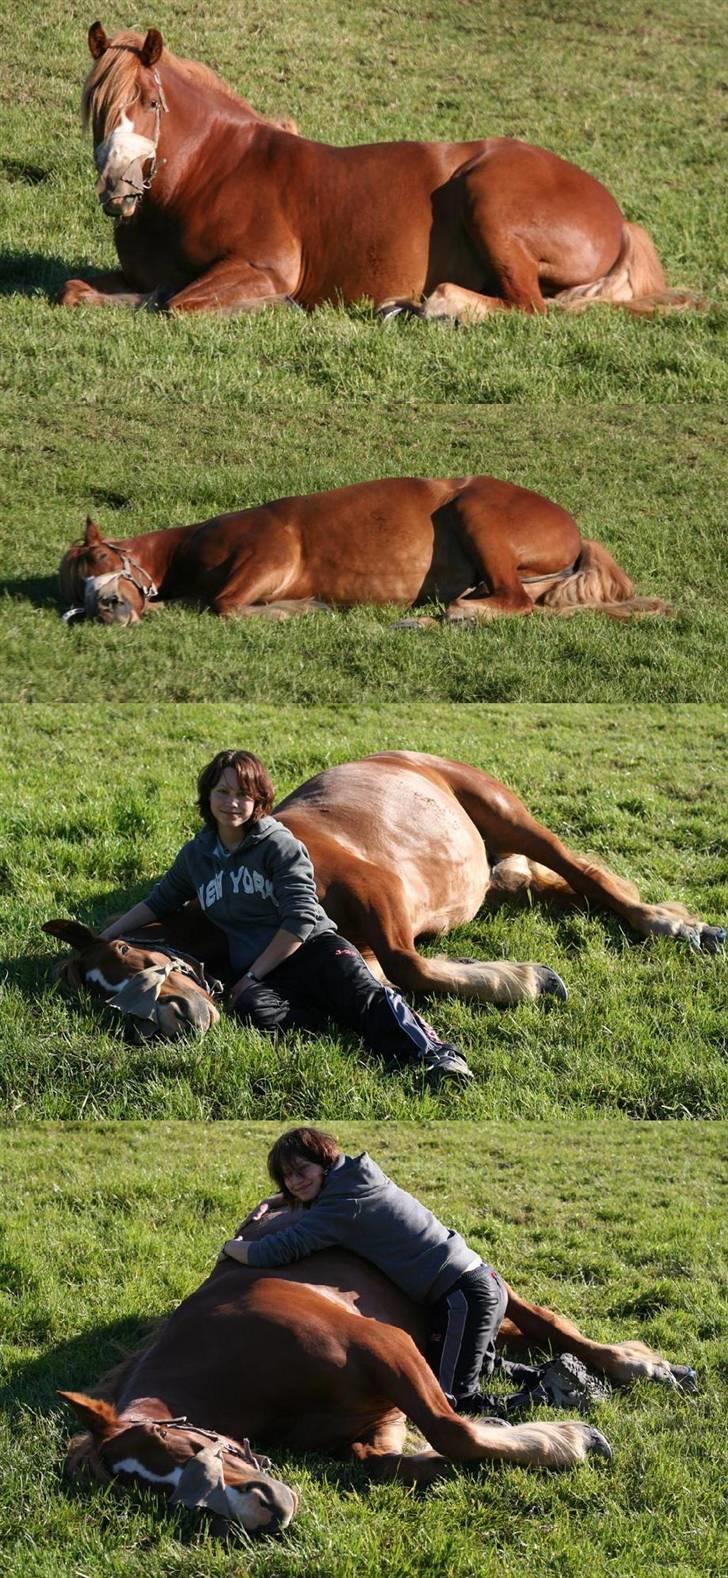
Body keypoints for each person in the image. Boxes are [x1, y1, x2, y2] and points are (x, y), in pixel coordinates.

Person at [100, 749, 472, 1083]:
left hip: (313, 949)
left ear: (259, 801)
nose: (232, 804)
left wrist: (252, 975)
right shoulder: (198, 855)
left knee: (366, 997)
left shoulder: (279, 845)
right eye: (223, 792)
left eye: (243, 795)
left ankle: (437, 1056)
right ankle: (337, 1018)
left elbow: (300, 920)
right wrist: (105, 938)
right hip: (265, 971)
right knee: (254, 1012)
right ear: (208, 796)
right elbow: (158, 902)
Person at [221, 1125, 509, 1416]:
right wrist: (280, 1198)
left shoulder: (342, 1208)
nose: (294, 1182)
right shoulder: (358, 1175)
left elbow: (276, 1250)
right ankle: (547, 1378)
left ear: (324, 1162)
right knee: (479, 1366)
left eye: (301, 1170)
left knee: (451, 1401)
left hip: (461, 1296)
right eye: (286, 1176)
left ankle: (539, 1396)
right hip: (482, 1280)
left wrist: (231, 1247)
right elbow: (322, 1194)